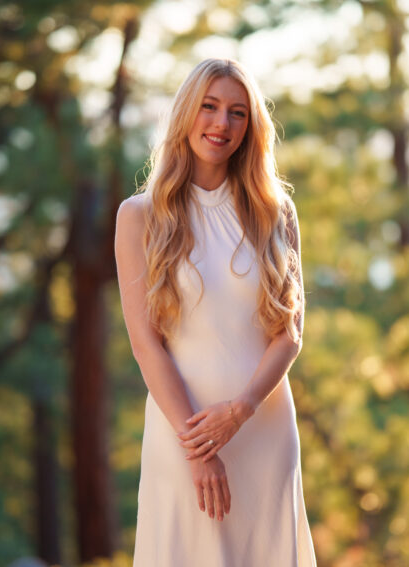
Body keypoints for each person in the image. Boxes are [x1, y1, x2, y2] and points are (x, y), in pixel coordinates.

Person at [115, 58, 316, 566]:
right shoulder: (139, 216)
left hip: (263, 430)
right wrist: (200, 449)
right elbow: (145, 345)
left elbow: (289, 332)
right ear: (187, 113)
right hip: (182, 434)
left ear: (251, 127)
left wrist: (241, 409)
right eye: (209, 107)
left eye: (237, 113)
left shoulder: (275, 211)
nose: (221, 124)